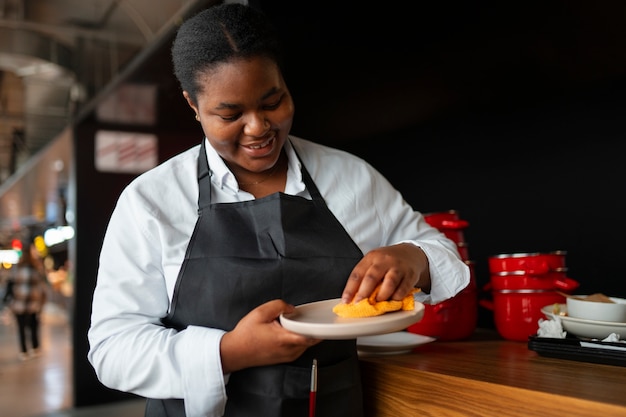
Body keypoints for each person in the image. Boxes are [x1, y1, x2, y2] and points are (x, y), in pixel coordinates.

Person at [87, 3, 470, 417]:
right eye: (230, 114)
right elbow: (113, 349)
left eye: (273, 101)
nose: (258, 128)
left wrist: (411, 257)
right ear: (193, 106)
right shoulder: (152, 200)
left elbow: (444, 255)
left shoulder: (350, 177)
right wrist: (229, 351)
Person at [3, 238, 47, 361]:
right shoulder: (36, 268)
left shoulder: (17, 268)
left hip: (19, 303)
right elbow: (41, 287)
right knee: (33, 326)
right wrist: (41, 301)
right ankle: (35, 348)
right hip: (33, 303)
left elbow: (11, 284)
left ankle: (24, 351)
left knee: (21, 328)